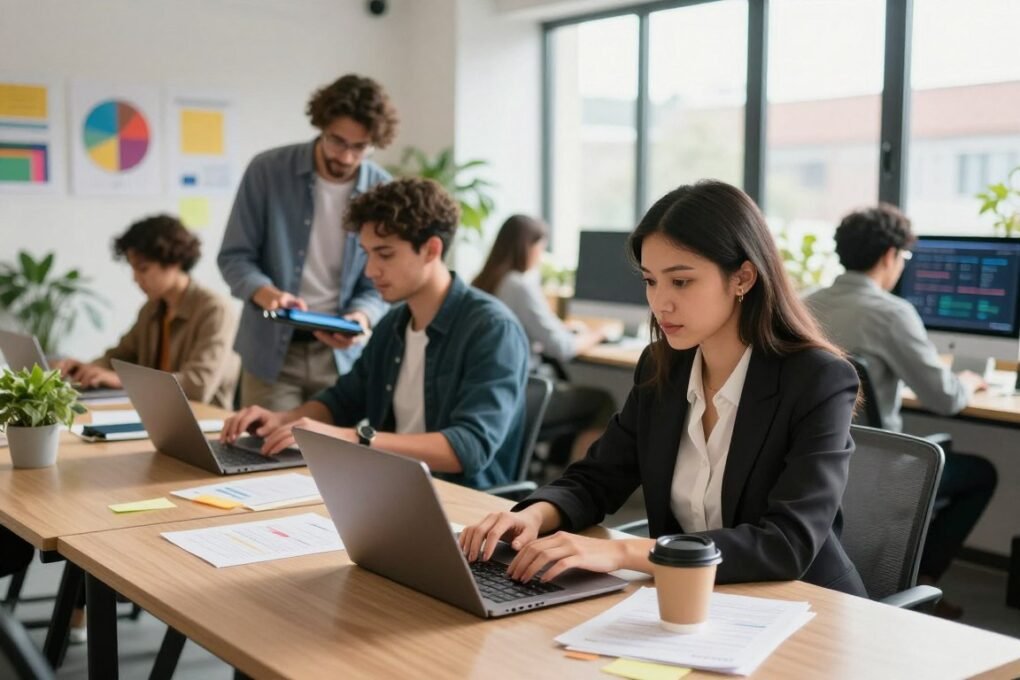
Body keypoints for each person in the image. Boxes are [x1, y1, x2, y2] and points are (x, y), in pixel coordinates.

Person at [460, 180, 867, 596]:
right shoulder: (662, 366)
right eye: (651, 281)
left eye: (681, 282)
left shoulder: (817, 378)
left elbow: (787, 544)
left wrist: (623, 554)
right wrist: (535, 516)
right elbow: (598, 476)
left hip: (801, 602)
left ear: (743, 277)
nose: (660, 303)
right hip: (690, 601)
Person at [221, 178, 530, 490]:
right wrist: (284, 420)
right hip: (390, 488)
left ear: (431, 249)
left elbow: (469, 448)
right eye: (367, 254)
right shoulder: (394, 323)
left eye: (385, 254)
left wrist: (354, 438)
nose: (370, 271)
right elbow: (342, 400)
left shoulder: (492, 329)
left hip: (462, 505)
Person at [806, 203, 997, 618]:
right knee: (982, 473)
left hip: (816, 462)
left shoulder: (805, 305)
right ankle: (925, 580)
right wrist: (965, 382)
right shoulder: (892, 313)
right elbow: (944, 399)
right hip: (879, 467)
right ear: (890, 256)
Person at [218, 74, 396, 411]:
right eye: (337, 141)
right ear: (321, 125)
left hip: (343, 357)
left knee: (334, 461)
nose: (345, 157)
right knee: (264, 456)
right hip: (271, 353)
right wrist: (267, 294)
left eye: (359, 147)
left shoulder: (383, 191)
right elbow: (234, 256)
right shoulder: (268, 171)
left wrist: (362, 316)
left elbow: (381, 279)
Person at [472, 215, 616, 463]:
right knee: (603, 401)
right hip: (523, 395)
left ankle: (554, 468)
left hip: (491, 393)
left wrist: (563, 328)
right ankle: (577, 487)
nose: (541, 255)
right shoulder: (518, 285)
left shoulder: (483, 281)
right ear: (527, 246)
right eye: (540, 247)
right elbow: (562, 347)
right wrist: (599, 334)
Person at [54, 215, 239, 407]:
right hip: (156, 413)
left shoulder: (215, 310)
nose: (135, 278)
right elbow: (120, 356)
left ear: (173, 262)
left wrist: (121, 380)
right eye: (133, 269)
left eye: (143, 269)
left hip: (204, 421)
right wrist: (87, 368)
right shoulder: (153, 308)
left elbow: (196, 385)